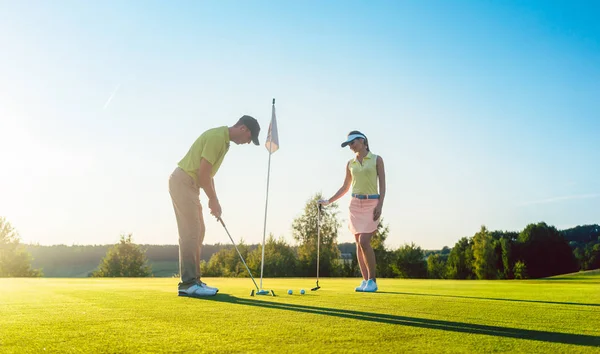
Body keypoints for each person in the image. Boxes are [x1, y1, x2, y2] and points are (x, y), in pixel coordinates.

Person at [169, 115, 261, 297]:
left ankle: (194, 281)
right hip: (183, 181)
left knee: (199, 231)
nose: (248, 142)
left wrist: (215, 199)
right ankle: (187, 284)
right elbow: (203, 175)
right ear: (243, 128)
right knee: (191, 232)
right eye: (250, 137)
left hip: (190, 184)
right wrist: (213, 200)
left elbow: (208, 176)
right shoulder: (218, 138)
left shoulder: (224, 143)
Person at [318, 130, 386, 292]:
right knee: (358, 243)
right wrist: (328, 201)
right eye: (348, 144)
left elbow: (383, 185)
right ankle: (365, 281)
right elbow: (345, 187)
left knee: (364, 241)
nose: (350, 146)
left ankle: (373, 281)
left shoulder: (377, 160)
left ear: (362, 141)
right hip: (355, 204)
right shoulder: (350, 164)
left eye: (352, 143)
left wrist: (380, 205)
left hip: (372, 203)